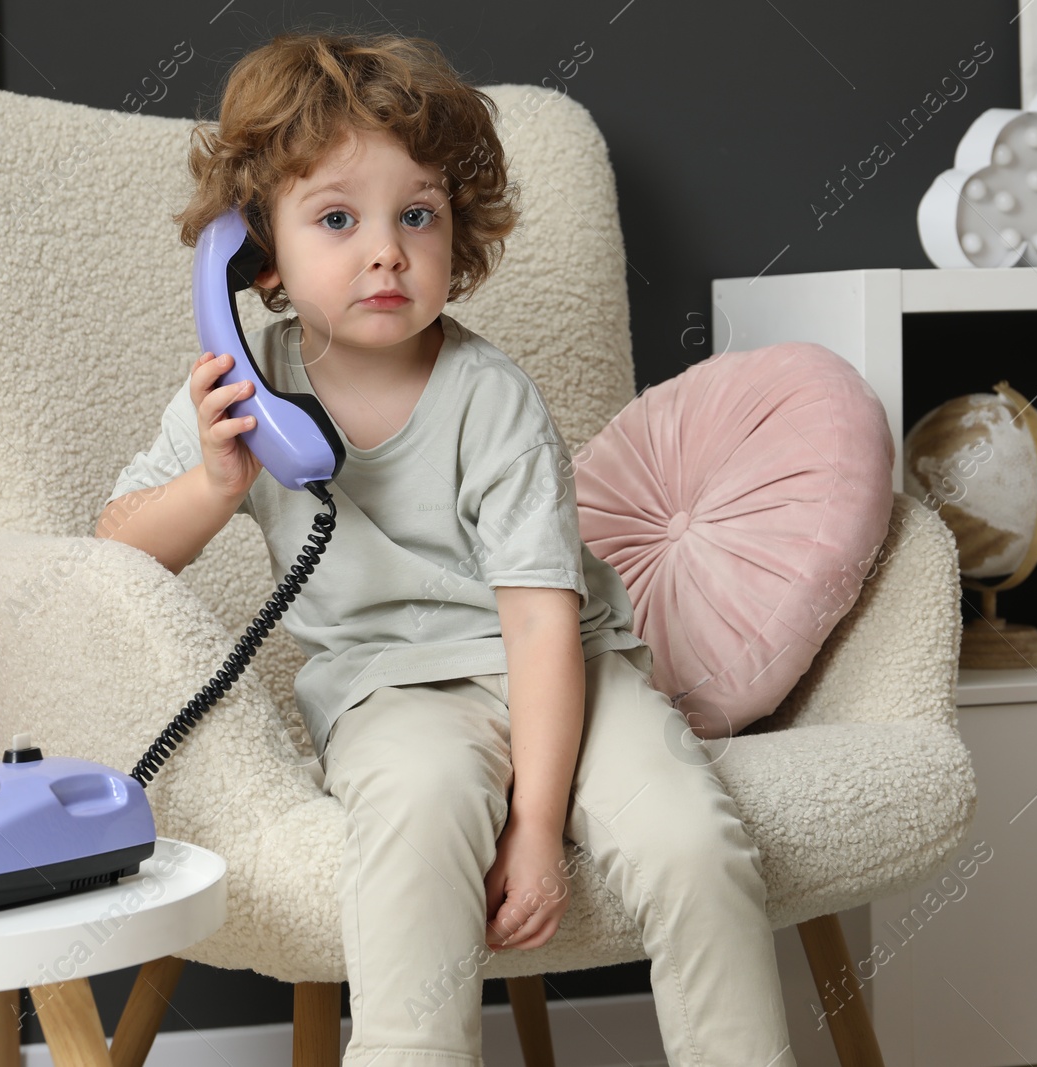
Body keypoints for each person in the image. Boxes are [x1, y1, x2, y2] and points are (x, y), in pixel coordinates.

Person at [95, 27, 798, 1067]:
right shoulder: (242, 392)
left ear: (455, 237)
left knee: (693, 841)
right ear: (253, 254)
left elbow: (538, 619)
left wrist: (535, 827)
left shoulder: (490, 397)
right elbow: (118, 547)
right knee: (415, 822)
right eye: (336, 217)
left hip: (563, 670)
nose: (385, 248)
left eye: (416, 214)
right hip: (389, 694)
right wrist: (214, 481)